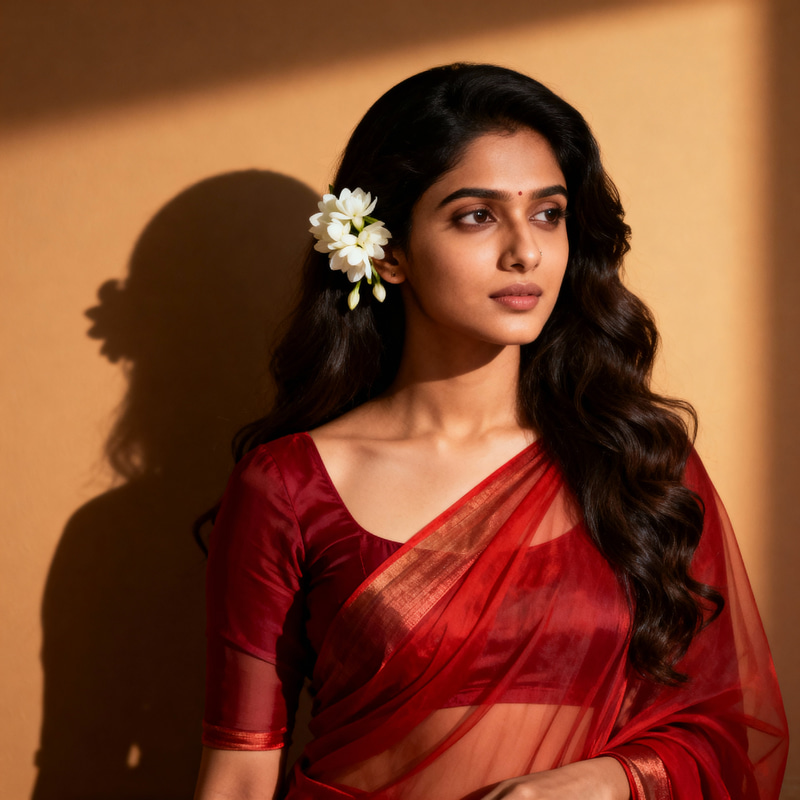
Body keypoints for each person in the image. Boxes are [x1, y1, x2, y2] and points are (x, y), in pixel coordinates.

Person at [193, 64, 788, 799]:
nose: (525, 252)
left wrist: (605, 782)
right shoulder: (292, 485)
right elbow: (241, 775)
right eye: (476, 216)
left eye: (547, 213)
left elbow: (721, 725)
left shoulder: (635, 466)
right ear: (387, 251)